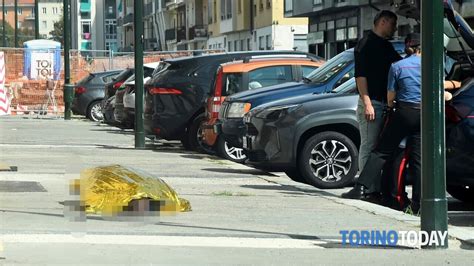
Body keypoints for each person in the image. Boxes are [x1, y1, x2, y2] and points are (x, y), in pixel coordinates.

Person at [341, 10, 402, 199]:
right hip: (372, 103)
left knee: (377, 148)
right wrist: (367, 103)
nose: (395, 29)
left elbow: (399, 66)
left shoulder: (385, 46)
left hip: (384, 103)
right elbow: (361, 77)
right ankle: (366, 189)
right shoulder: (365, 44)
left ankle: (374, 188)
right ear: (382, 22)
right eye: (393, 24)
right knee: (369, 146)